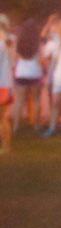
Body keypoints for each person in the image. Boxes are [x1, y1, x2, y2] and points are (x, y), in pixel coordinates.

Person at [11, 18, 45, 132]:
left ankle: (16, 126)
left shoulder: (19, 42)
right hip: (35, 73)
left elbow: (15, 58)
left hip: (21, 73)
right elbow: (41, 60)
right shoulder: (37, 43)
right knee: (36, 100)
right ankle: (36, 125)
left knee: (19, 100)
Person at [0, 14, 13, 154]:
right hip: (5, 83)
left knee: (2, 118)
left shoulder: (1, 43)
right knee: (2, 117)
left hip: (2, 84)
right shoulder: (6, 42)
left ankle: (6, 146)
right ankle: (5, 145)